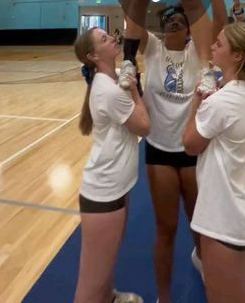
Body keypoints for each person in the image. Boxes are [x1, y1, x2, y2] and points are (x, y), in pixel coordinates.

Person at [138, 0, 227, 303]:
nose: (175, 22)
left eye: (181, 20)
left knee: (197, 224)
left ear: (188, 30)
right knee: (166, 228)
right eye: (169, 20)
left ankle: (204, 262)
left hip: (191, 148)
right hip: (160, 150)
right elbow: (132, 17)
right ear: (163, 27)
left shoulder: (198, 53)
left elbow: (219, 17)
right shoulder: (153, 50)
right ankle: (164, 296)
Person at [183, 22, 245, 303]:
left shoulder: (222, 102)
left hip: (223, 215)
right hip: (236, 207)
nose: (212, 47)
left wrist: (199, 99)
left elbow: (189, 143)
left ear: (237, 56)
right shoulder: (241, 91)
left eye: (219, 44)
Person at [74, 27, 150, 303]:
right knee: (89, 283)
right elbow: (144, 125)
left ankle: (109, 297)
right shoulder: (109, 90)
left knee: (108, 260)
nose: (112, 39)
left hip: (116, 188)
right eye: (104, 39)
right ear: (93, 55)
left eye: (109, 35)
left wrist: (129, 81)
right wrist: (134, 91)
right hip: (103, 194)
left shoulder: (111, 80)